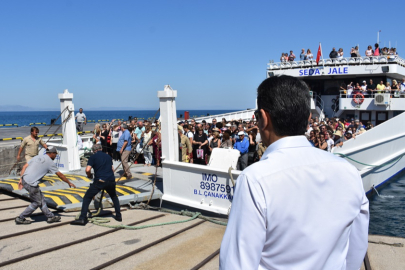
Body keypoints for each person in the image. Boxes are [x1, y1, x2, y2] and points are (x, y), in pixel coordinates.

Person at [220, 75, 368, 270]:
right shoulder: (349, 172)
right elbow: (356, 249)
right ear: (308, 119)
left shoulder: (254, 180)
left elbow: (236, 265)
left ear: (264, 118)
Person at [16, 147, 76, 224]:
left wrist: (21, 179)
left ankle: (50, 217)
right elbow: (60, 175)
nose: (55, 156)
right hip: (32, 184)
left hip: (25, 179)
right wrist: (69, 182)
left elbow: (24, 167)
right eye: (55, 155)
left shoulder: (37, 156)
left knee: (41, 199)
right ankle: (21, 217)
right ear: (52, 153)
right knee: (37, 202)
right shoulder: (50, 162)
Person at [70, 144, 121, 225]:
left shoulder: (92, 157)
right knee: (114, 197)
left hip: (100, 181)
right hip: (111, 180)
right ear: (101, 148)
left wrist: (89, 175)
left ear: (93, 151)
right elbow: (112, 169)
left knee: (87, 197)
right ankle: (118, 216)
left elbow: (87, 169)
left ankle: (82, 218)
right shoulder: (108, 156)